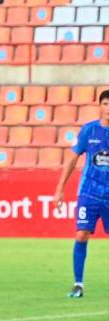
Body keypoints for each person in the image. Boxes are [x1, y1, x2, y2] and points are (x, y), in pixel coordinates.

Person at [53, 89, 109, 298]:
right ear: (100, 106)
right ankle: (78, 284)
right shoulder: (89, 131)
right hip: (90, 193)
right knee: (81, 233)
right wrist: (59, 190)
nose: (108, 108)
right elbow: (72, 160)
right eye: (105, 104)